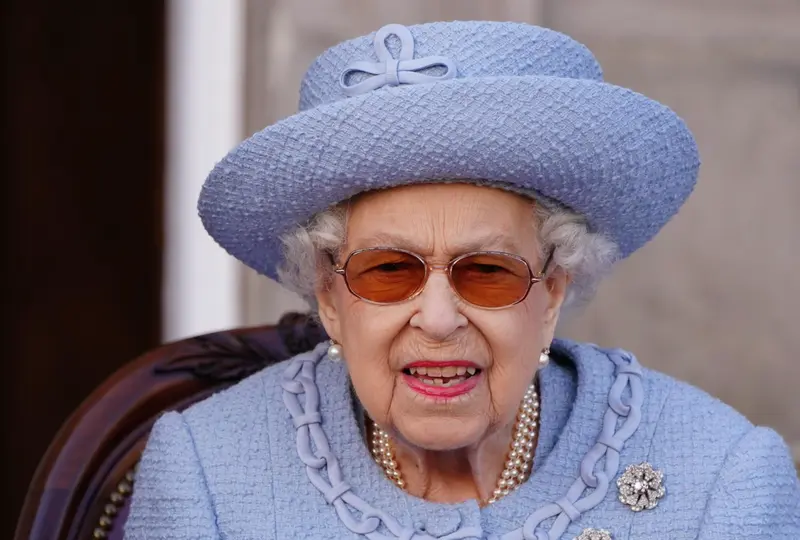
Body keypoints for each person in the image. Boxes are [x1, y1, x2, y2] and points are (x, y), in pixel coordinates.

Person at [124, 21, 800, 540]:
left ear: (553, 291)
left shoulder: (722, 480)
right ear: (329, 298)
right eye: (388, 271)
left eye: (487, 272)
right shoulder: (206, 473)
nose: (440, 319)